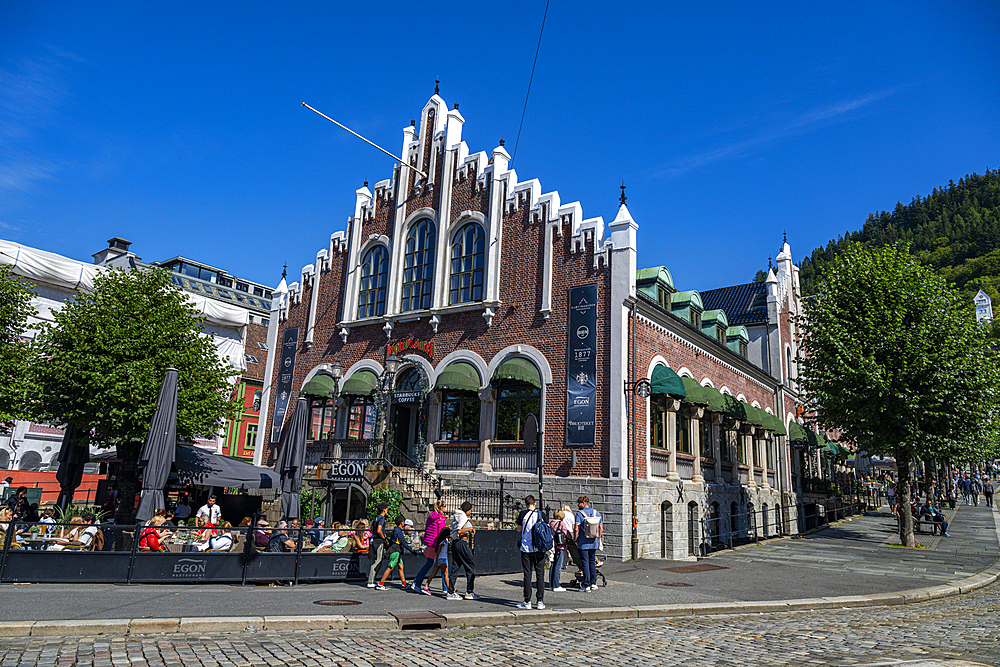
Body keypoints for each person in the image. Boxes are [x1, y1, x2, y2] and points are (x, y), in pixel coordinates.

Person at [516, 495, 547, 610]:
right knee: (540, 575)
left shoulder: (523, 514)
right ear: (535, 504)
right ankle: (540, 601)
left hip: (526, 547)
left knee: (527, 574)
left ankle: (527, 600)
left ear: (525, 504)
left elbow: (519, 529)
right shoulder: (541, 515)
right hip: (539, 548)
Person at [374, 515, 421, 590]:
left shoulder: (395, 530)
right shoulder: (399, 531)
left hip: (395, 551)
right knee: (390, 567)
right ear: (402, 523)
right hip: (395, 551)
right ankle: (380, 584)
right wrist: (412, 551)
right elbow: (404, 543)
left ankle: (404, 584)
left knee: (401, 566)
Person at [412, 500, 447, 593]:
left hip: (431, 543)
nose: (445, 508)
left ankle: (417, 582)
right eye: (444, 506)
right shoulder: (441, 518)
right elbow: (441, 532)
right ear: (441, 507)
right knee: (444, 565)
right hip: (437, 544)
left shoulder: (431, 517)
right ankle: (446, 588)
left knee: (429, 564)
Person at [451, 500, 479, 600]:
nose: (470, 513)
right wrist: (470, 528)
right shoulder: (463, 517)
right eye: (470, 511)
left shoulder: (457, 516)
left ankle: (450, 592)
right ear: (467, 510)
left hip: (455, 543)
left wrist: (470, 528)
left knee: (455, 567)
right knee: (471, 567)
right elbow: (459, 530)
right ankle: (469, 592)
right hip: (462, 543)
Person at [574, 495, 603, 592]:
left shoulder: (579, 514)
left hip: (583, 543)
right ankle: (593, 583)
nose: (578, 505)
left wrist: (575, 539)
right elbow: (601, 528)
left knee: (585, 563)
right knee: (592, 562)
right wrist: (598, 539)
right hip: (593, 542)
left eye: (579, 503)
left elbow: (576, 527)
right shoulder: (596, 513)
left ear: (583, 503)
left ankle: (586, 585)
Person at [367, 502, 390, 588]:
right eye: (386, 509)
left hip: (373, 540)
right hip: (379, 541)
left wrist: (375, 534)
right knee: (378, 561)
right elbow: (379, 530)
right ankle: (370, 581)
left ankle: (373, 579)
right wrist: (383, 537)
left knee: (376, 560)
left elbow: (371, 529)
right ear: (384, 510)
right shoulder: (382, 519)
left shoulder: (376, 518)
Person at [549, 508, 572, 592]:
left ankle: (551, 584)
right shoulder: (562, 523)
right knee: (558, 566)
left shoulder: (551, 523)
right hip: (560, 546)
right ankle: (556, 585)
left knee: (552, 564)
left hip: (552, 545)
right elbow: (567, 534)